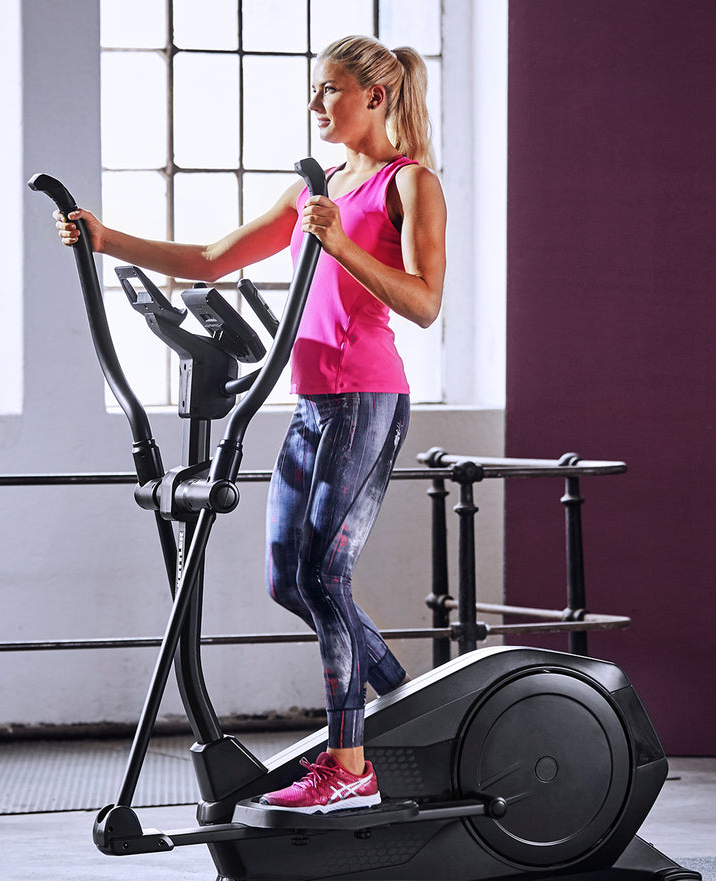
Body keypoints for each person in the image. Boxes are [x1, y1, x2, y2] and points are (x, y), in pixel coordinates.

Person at [55, 35, 446, 813]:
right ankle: (412, 708)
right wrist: (106, 239)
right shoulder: (318, 187)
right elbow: (210, 258)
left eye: (328, 90)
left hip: (367, 398)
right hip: (311, 404)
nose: (315, 105)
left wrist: (340, 243)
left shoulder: (411, 183)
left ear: (374, 95)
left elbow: (425, 303)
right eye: (314, 89)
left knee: (325, 576)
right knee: (287, 582)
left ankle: (350, 766)